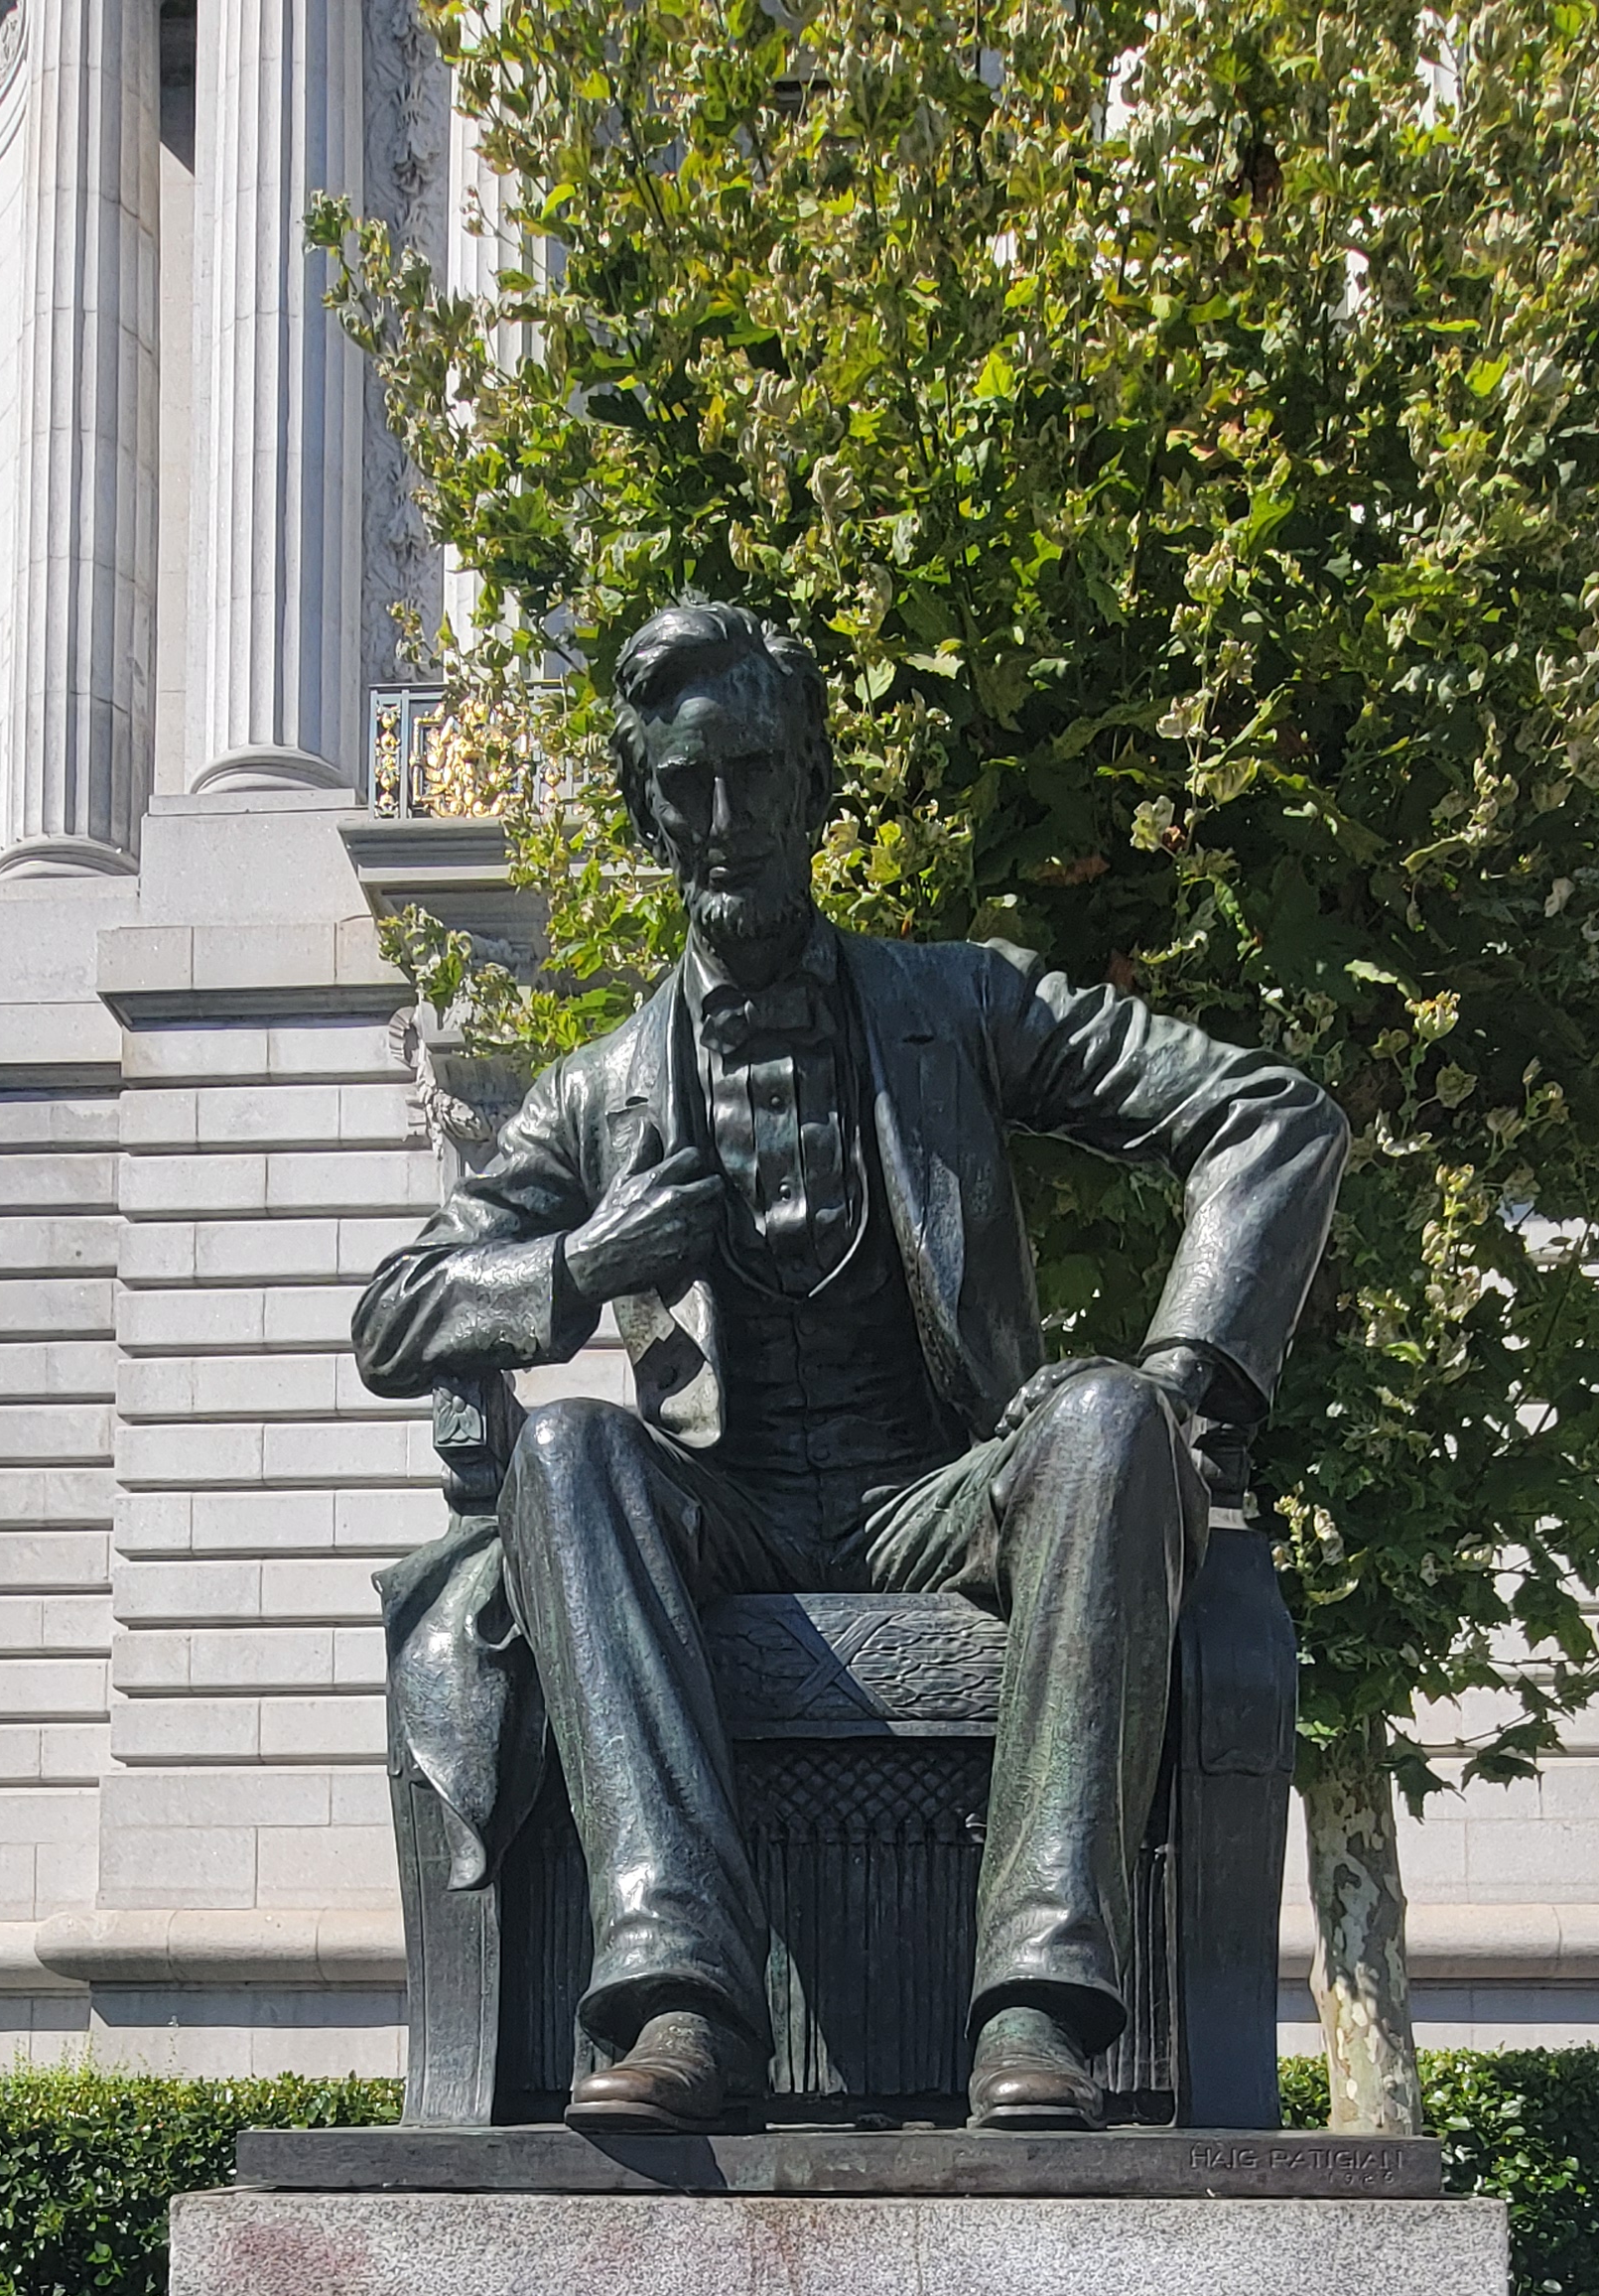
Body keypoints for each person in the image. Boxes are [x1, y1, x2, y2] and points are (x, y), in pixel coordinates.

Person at [353, 600, 1347, 2130]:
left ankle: (1038, 2008)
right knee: (568, 1451)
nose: (725, 820)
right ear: (646, 815)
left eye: (753, 772)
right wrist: (581, 1266)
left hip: (944, 1500)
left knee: (1106, 1418)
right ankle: (680, 1995)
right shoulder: (597, 1094)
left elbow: (1270, 1115)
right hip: (730, 1516)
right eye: (685, 788)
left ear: (815, 784)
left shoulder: (964, 1005)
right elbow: (396, 1315)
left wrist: (1179, 1385)